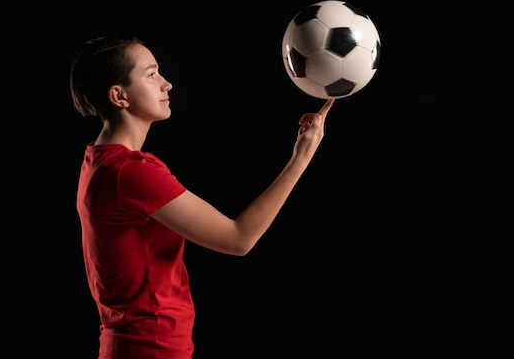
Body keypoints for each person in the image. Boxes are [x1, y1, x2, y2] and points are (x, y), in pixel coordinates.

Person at [69, 33, 334, 359]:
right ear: (118, 96)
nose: (167, 84)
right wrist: (301, 157)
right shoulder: (132, 172)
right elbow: (239, 238)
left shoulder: (97, 160)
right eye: (151, 74)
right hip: (151, 348)